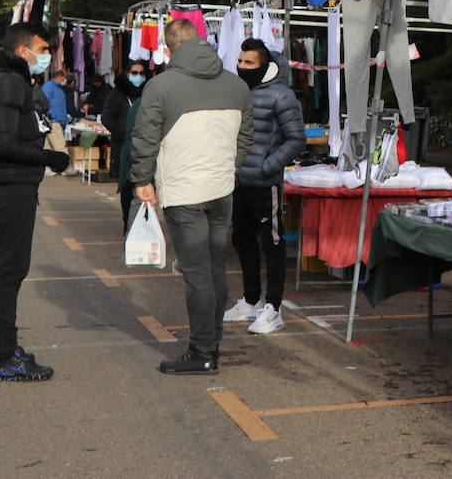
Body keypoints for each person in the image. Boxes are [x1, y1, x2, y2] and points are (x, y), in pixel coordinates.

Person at [130, 19, 252, 375]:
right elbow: (247, 135)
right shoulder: (236, 84)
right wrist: (231, 167)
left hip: (183, 191)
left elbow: (145, 136)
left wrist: (141, 179)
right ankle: (211, 344)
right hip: (222, 188)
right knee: (215, 269)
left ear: (168, 49)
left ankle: (203, 352)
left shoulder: (160, 85)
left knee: (197, 273)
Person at [0, 23, 72, 380]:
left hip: (3, 186)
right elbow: (3, 142)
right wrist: (48, 158)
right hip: (13, 188)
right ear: (23, 50)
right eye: (42, 48)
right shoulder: (10, 82)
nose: (47, 56)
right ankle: (7, 356)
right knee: (8, 272)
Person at [224, 39, 305, 335]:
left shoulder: (282, 95)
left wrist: (267, 167)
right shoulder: (237, 90)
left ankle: (273, 308)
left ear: (265, 65)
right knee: (242, 240)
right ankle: (250, 300)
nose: (242, 67)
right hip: (237, 180)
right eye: (240, 61)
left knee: (271, 243)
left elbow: (296, 139)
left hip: (264, 182)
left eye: (249, 63)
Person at [101, 61, 147, 229]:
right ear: (128, 73)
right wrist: (124, 131)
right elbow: (106, 117)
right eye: (134, 73)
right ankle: (127, 223)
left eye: (141, 73)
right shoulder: (117, 94)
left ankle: (143, 225)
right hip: (123, 148)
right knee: (127, 188)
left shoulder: (148, 92)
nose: (138, 76)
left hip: (145, 146)